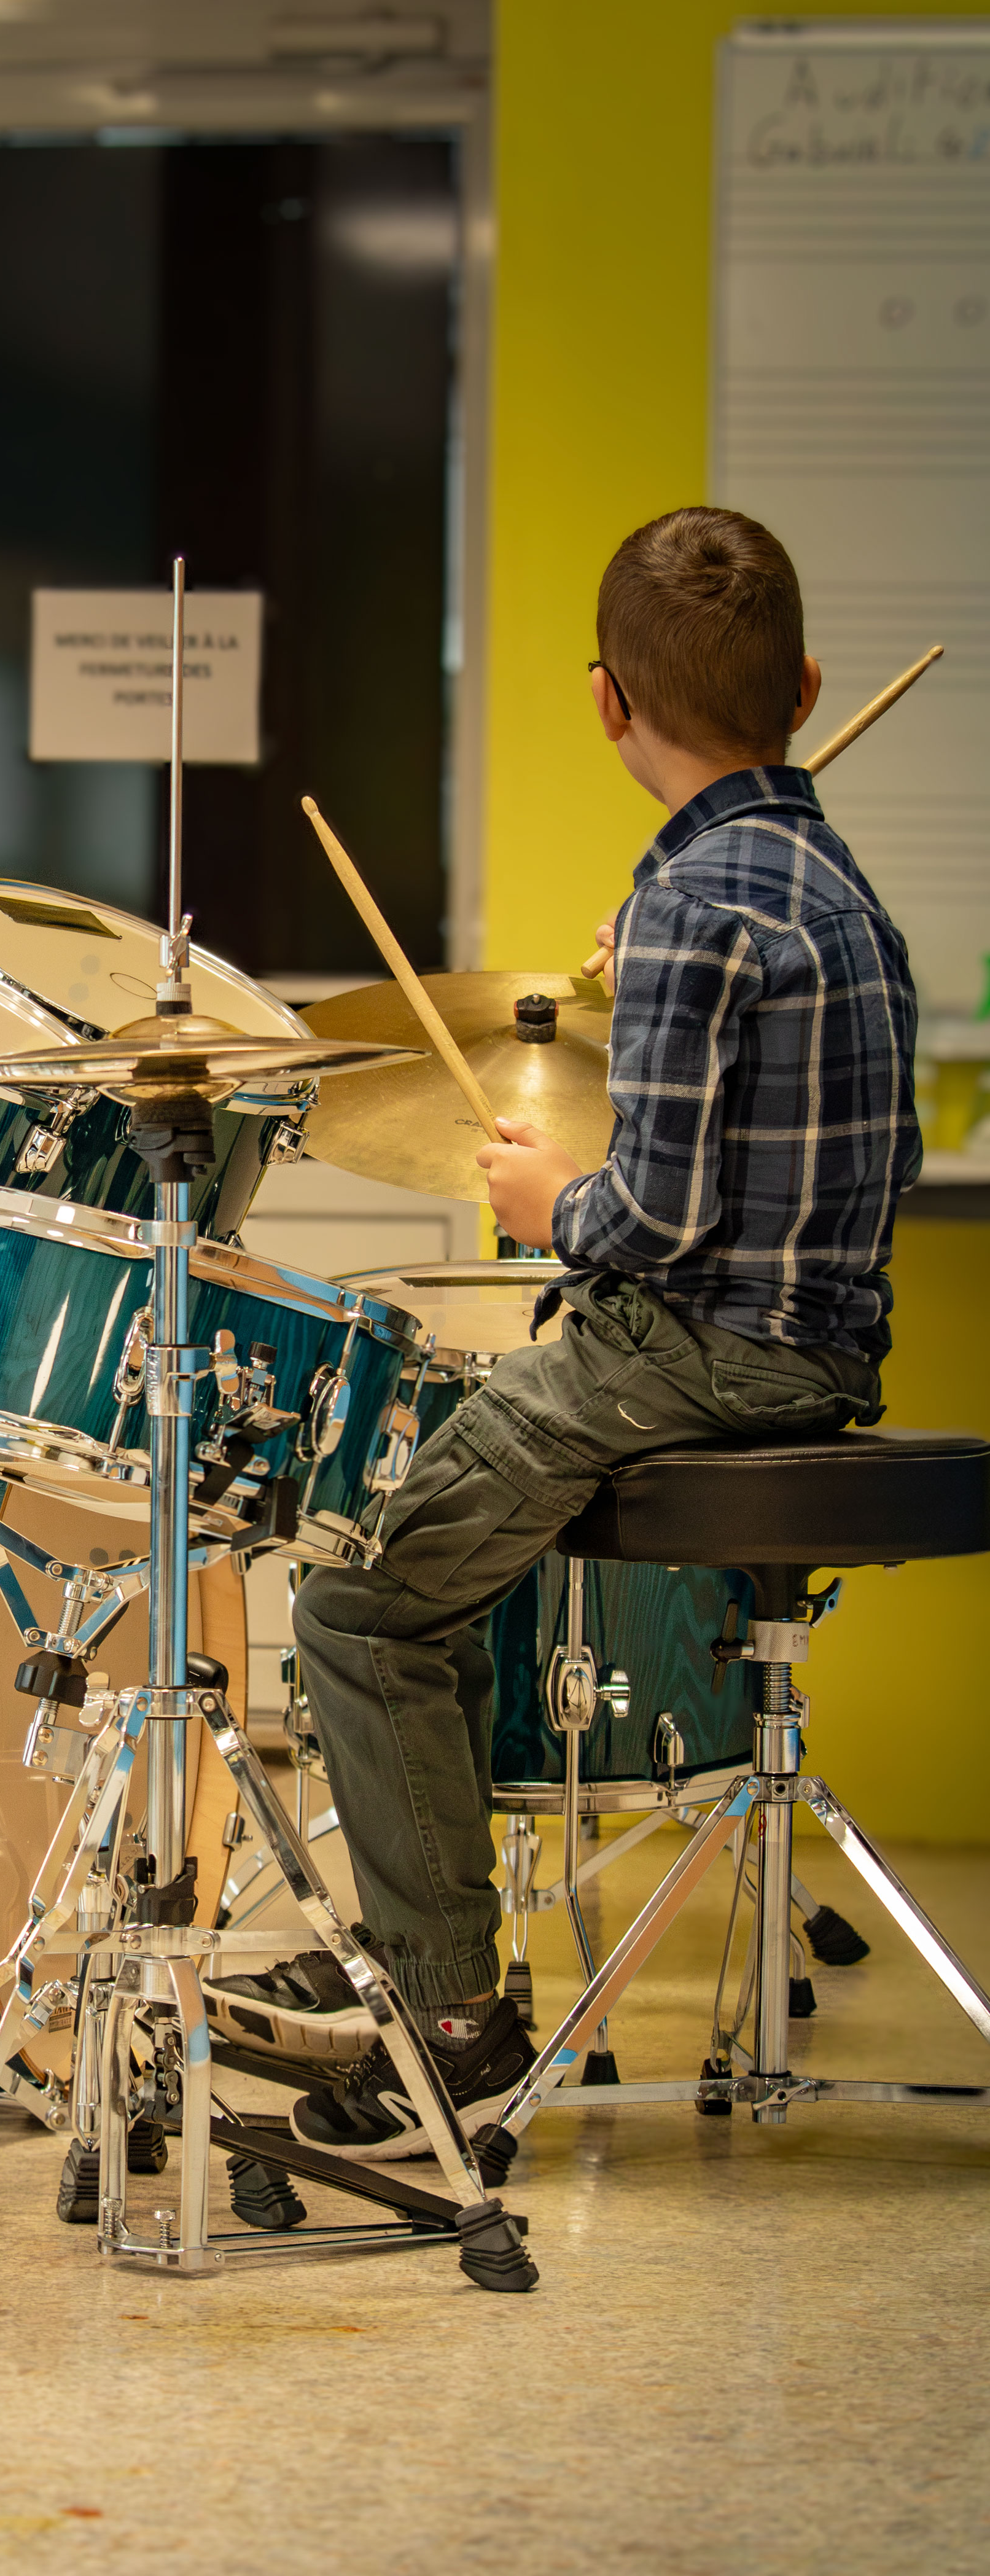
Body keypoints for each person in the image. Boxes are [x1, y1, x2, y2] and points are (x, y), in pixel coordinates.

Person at [208, 505, 921, 2160]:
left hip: (702, 1355)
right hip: (823, 1348)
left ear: (608, 706)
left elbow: (657, 1226)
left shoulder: (692, 904)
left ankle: (450, 2017)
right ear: (806, 684)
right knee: (435, 1562)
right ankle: (421, 1937)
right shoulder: (838, 887)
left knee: (359, 1603)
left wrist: (547, 1202)